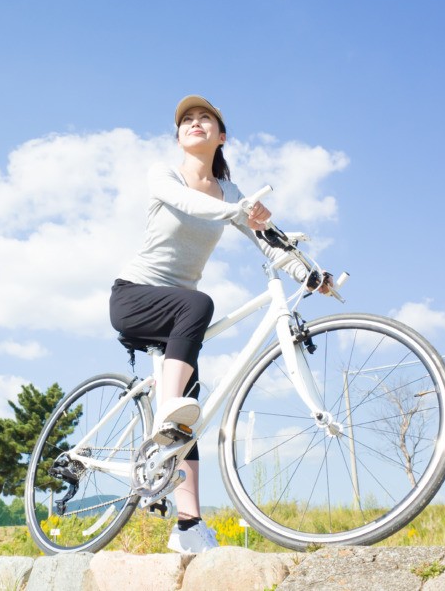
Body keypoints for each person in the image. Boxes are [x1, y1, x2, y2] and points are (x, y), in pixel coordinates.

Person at [109, 94, 329, 553]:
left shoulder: (230, 192)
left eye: (204, 118)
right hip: (133, 296)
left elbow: (269, 242)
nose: (194, 123)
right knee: (198, 305)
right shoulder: (164, 174)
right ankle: (168, 413)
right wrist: (238, 212)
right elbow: (184, 202)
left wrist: (309, 272)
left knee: (189, 413)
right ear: (178, 137)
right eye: (186, 120)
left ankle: (189, 527)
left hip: (176, 312)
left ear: (220, 135)